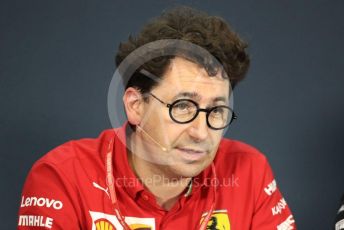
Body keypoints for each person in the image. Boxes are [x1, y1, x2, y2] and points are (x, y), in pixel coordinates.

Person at [17, 6, 296, 230]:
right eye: (183, 106)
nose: (201, 133)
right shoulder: (62, 177)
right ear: (136, 106)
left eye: (216, 110)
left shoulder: (249, 170)